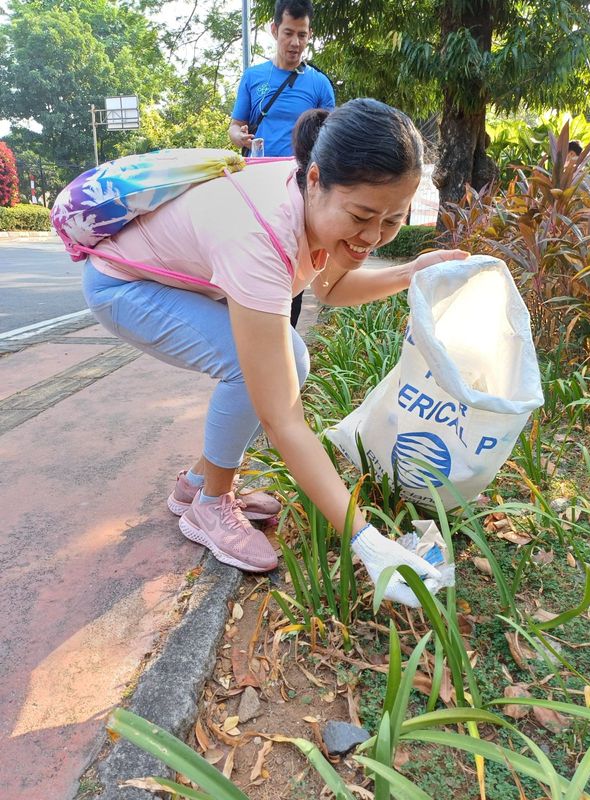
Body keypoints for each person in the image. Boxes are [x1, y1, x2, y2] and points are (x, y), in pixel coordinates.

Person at [82, 98, 468, 605]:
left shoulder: (309, 206)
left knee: (292, 358)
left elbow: (329, 287)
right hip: (123, 286)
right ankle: (210, 504)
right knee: (254, 372)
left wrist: (410, 270)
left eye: (393, 221)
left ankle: (196, 483)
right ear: (314, 179)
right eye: (361, 216)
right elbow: (284, 420)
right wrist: (370, 544)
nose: (372, 238)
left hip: (169, 277)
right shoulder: (261, 238)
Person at [228, 0, 335, 328]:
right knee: (253, 256)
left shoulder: (318, 83)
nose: (295, 42)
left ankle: (284, 332)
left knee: (294, 257)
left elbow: (332, 136)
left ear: (309, 35)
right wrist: (240, 138)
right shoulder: (253, 77)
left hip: (298, 187)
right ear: (275, 30)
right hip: (257, 183)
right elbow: (234, 127)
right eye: (288, 33)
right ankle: (249, 326)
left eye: (302, 35)